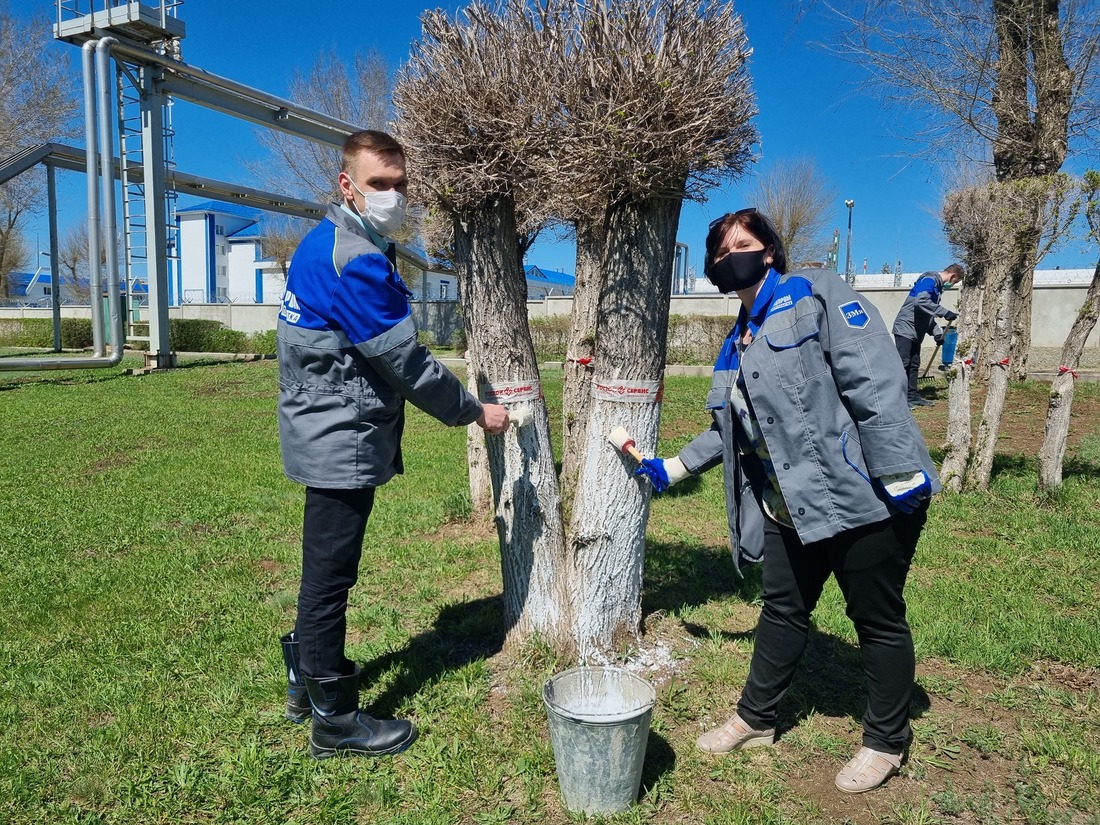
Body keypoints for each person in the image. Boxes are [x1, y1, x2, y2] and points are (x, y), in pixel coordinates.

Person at [635, 208, 941, 794]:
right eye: (722, 254)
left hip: (861, 497)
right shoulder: (734, 345)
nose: (734, 259)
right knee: (782, 610)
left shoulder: (815, 295)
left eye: (744, 246)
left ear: (770, 250)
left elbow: (872, 380)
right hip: (788, 507)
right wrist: (671, 468)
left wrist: (901, 470)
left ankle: (885, 740)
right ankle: (756, 718)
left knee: (875, 619)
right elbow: (726, 428)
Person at [275, 129, 510, 759]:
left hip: (316, 424)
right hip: (338, 436)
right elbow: (405, 362)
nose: (395, 195)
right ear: (346, 185)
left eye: (401, 183)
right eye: (381, 184)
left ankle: (304, 682)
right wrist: (471, 411)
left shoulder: (325, 241)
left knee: (323, 571)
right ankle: (334, 719)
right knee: (329, 576)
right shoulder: (357, 260)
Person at [891, 265, 963, 409]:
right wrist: (944, 312)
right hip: (905, 328)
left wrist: (937, 334)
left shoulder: (937, 289)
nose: (953, 285)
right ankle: (897, 400)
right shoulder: (929, 280)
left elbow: (927, 314)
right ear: (953, 276)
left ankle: (912, 396)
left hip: (916, 331)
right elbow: (921, 301)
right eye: (955, 282)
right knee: (903, 364)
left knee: (914, 364)